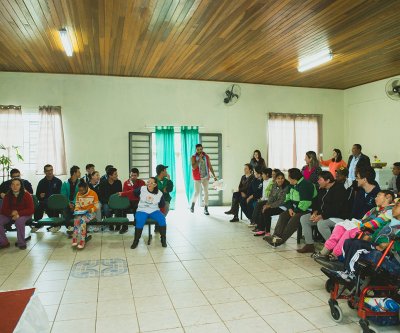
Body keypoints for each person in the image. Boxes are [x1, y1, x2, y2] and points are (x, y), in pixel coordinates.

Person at [313, 190, 395, 260]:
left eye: (378, 196)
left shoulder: (390, 211)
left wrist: (360, 225)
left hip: (371, 232)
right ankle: (324, 251)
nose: (375, 198)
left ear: (388, 197)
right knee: (340, 227)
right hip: (362, 227)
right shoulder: (374, 209)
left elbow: (377, 223)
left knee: (350, 231)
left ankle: (335, 254)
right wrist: (353, 222)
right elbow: (363, 219)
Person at [332, 199, 400, 282]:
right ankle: (346, 271)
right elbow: (375, 235)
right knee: (349, 242)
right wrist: (369, 238)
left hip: (389, 255)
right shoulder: (388, 222)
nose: (393, 207)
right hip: (377, 247)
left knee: (357, 244)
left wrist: (390, 245)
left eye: (397, 205)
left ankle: (350, 274)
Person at [297, 171, 348, 253]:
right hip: (324, 215)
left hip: (338, 216)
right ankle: (309, 245)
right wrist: (315, 212)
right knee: (304, 219)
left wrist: (321, 216)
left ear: (327, 180)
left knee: (321, 223)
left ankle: (333, 248)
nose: (318, 181)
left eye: (320, 180)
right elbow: (316, 202)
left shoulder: (339, 189)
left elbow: (336, 209)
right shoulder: (322, 189)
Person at [265, 168, 316, 247]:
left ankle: (280, 241)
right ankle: (275, 236)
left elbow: (305, 204)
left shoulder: (306, 185)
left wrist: (295, 211)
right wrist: (290, 208)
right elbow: (287, 199)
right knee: (283, 215)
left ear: (293, 178)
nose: (287, 178)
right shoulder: (291, 185)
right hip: (295, 209)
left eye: (288, 176)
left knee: (294, 219)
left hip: (306, 210)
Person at [131, 177, 167, 249]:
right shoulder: (142, 189)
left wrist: (159, 209)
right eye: (148, 182)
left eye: (151, 183)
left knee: (162, 219)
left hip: (154, 210)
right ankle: (136, 241)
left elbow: (162, 205)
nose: (149, 184)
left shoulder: (159, 193)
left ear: (155, 185)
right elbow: (134, 193)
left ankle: (163, 239)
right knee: (140, 221)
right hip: (142, 210)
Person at [0, 179, 34, 250]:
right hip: (10, 214)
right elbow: (3, 210)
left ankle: (21, 243)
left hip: (25, 214)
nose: (15, 186)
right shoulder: (7, 195)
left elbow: (31, 209)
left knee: (19, 221)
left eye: (17, 184)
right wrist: (12, 213)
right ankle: (4, 242)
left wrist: (18, 214)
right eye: (13, 184)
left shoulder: (26, 195)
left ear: (21, 186)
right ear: (10, 186)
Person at [253, 172, 289, 237]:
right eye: (278, 178)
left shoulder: (286, 187)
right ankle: (261, 229)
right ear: (275, 179)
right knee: (263, 207)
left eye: (282, 178)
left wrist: (269, 206)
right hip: (275, 204)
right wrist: (267, 204)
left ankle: (267, 232)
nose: (280, 180)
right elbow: (271, 197)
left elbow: (281, 201)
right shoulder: (274, 185)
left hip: (283, 206)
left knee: (267, 211)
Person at [190, 144, 217, 215]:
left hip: (205, 177)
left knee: (206, 192)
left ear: (202, 149)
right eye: (198, 150)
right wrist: (199, 160)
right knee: (197, 192)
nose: (199, 151)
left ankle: (206, 208)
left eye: (200, 149)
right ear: (196, 150)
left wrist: (214, 176)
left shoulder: (206, 156)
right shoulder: (193, 157)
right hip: (197, 177)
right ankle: (192, 204)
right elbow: (193, 167)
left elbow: (210, 166)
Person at [72, 179, 99, 249]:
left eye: (82, 190)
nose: (80, 192)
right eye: (79, 190)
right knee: (76, 220)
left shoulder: (93, 193)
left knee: (82, 220)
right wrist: (76, 210)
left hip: (91, 213)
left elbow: (97, 206)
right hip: (81, 212)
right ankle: (74, 238)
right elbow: (77, 204)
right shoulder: (78, 194)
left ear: (86, 188)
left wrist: (91, 209)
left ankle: (82, 240)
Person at [119, 168, 145, 234]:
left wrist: (130, 192)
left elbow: (142, 193)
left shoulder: (141, 182)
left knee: (136, 206)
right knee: (123, 208)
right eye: (132, 175)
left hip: (138, 201)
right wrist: (133, 192)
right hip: (128, 201)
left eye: (135, 175)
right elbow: (125, 194)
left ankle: (137, 226)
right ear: (129, 174)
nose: (133, 177)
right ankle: (124, 227)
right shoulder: (126, 183)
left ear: (138, 175)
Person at [99, 167, 122, 231]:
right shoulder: (103, 183)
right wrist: (107, 201)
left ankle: (118, 224)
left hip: (116, 202)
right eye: (115, 174)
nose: (117, 175)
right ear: (110, 175)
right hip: (106, 202)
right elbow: (101, 196)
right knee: (106, 208)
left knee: (118, 208)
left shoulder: (118, 182)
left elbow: (120, 194)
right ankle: (110, 224)